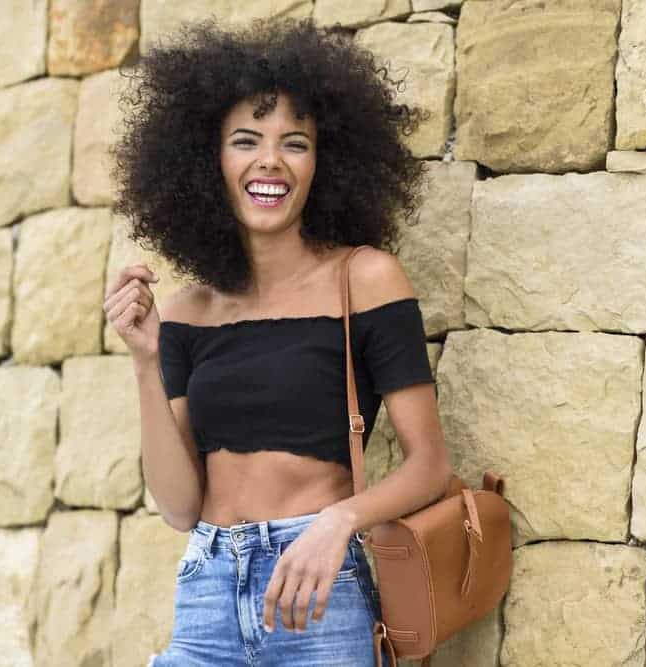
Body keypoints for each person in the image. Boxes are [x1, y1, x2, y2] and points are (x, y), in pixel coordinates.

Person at [103, 16, 453, 667]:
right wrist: (145, 358)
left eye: (294, 143)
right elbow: (179, 506)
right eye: (245, 140)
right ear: (208, 161)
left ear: (324, 162)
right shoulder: (185, 313)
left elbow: (428, 464)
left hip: (319, 593)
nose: (269, 160)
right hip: (206, 592)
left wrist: (339, 519)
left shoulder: (365, 279)